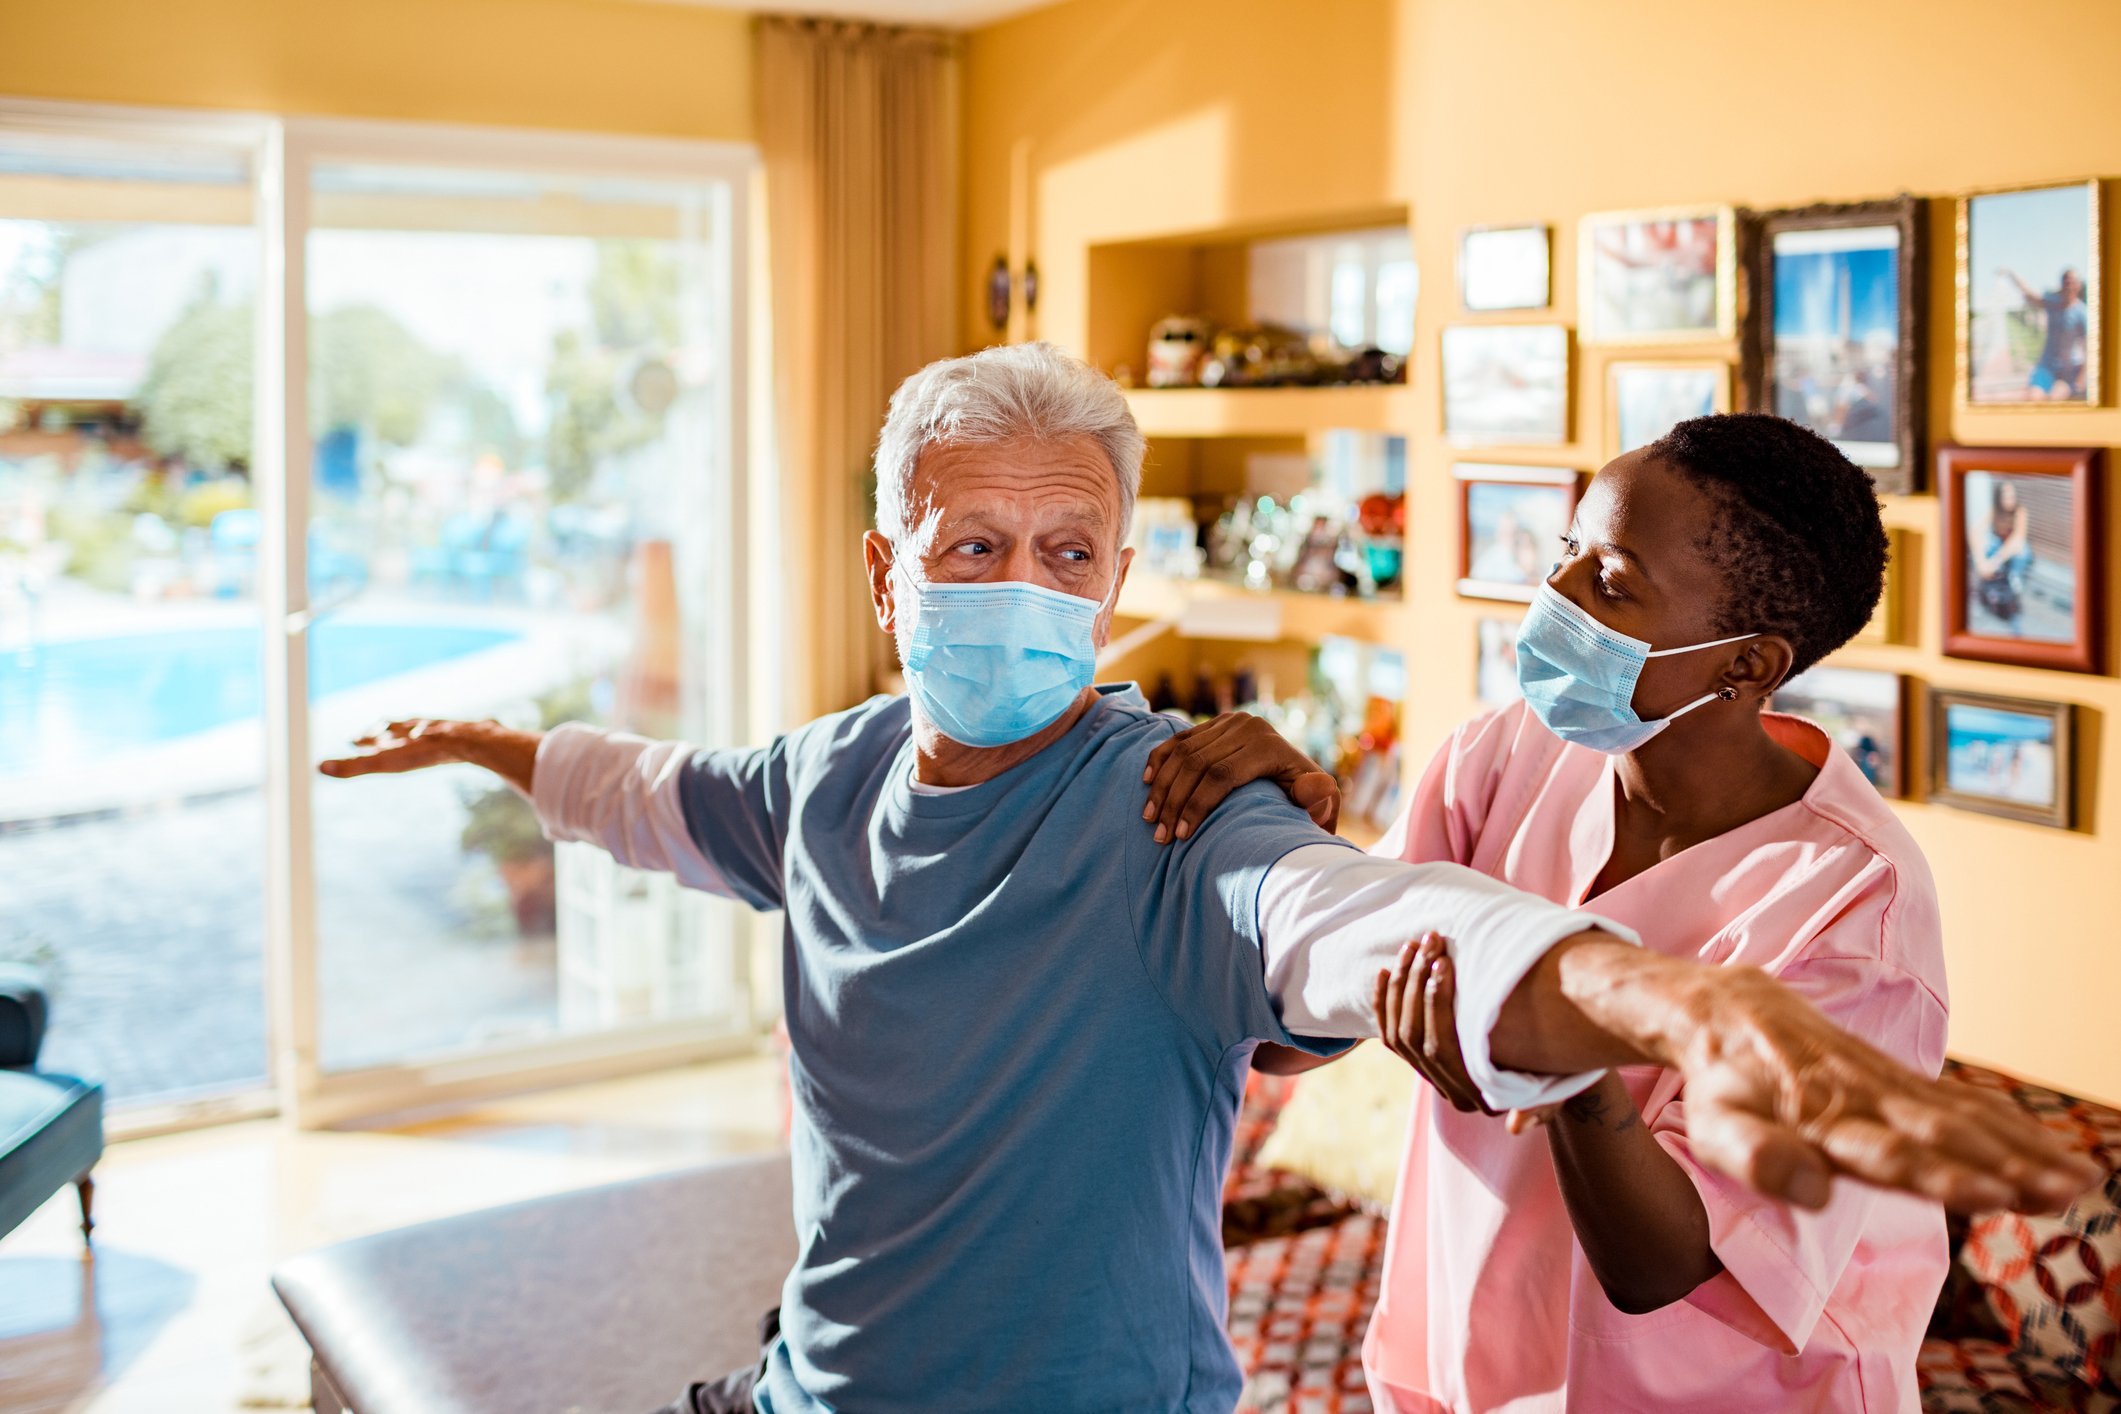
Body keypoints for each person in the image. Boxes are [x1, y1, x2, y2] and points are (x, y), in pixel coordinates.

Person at [322, 354, 2091, 1414]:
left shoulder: (1164, 807)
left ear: (1114, 582)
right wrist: (491, 742)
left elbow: (1375, 929)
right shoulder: (830, 769)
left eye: (1069, 550)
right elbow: (660, 792)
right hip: (1434, 1349)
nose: (1020, 584)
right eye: (971, 547)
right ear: (887, 571)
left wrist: (1673, 1004)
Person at [1143, 413, 2077, 1412]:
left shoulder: (1855, 910)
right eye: (1566, 554)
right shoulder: (1504, 757)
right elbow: (1294, 1040)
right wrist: (1289, 844)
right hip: (1467, 1369)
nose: (1557, 598)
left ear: (1748, 665)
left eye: (1614, 584)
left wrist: (1567, 1063)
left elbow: (1660, 1262)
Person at [2001, 265, 2089, 399]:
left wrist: (2081, 377)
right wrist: (2012, 274)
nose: (2068, 286)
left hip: (2070, 369)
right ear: (2061, 285)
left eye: (2071, 282)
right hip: (2047, 365)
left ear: (2078, 285)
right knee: (2032, 397)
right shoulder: (2053, 304)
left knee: (2057, 396)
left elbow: (2089, 348)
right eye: (2065, 282)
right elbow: (2029, 294)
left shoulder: (2082, 313)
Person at [1972, 476, 2033, 629]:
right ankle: (1982, 595)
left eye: (2012, 496)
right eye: (2005, 496)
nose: (2009, 500)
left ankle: (2014, 579)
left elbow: (2017, 539)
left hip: (2012, 554)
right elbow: (1975, 531)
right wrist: (1980, 561)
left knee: (2022, 549)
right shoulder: (1995, 511)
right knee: (1988, 543)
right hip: (1998, 550)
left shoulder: (2020, 511)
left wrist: (1993, 563)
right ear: (1999, 497)